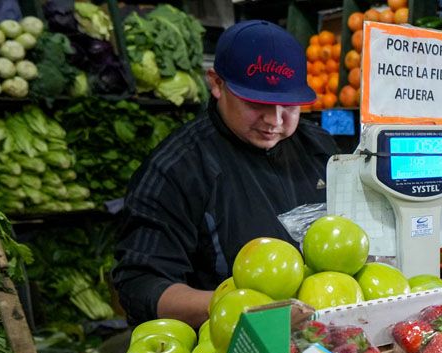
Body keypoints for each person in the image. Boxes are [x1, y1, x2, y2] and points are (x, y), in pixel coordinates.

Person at [113, 20, 337, 328]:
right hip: (229, 341)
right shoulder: (176, 170)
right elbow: (141, 284)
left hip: (325, 336)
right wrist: (243, 309)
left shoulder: (320, 149)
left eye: (289, 106)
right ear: (217, 84)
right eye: (256, 103)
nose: (274, 120)